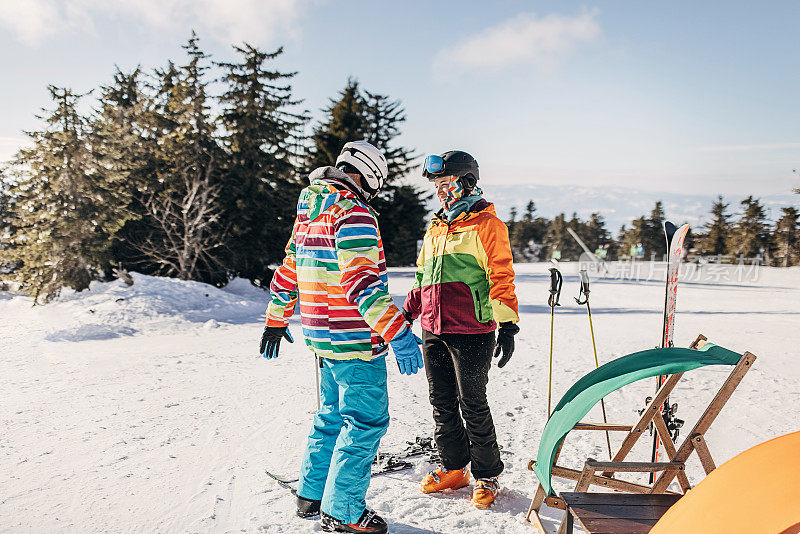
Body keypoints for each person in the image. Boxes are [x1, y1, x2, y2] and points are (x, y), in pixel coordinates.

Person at [261, 140, 424, 534]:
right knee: (366, 423)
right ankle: (344, 511)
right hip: (354, 340)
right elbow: (363, 286)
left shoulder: (310, 210)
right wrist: (398, 332)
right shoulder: (354, 214)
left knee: (330, 416)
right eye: (375, 184)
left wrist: (276, 319)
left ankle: (311, 494)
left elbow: (288, 270)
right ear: (367, 175)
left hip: (322, 338)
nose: (373, 193)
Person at [402, 150, 520, 509]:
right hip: (433, 328)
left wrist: (508, 324)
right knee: (441, 402)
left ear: (468, 181)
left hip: (471, 330)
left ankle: (487, 474)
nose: (440, 192)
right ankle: (454, 468)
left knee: (473, 402)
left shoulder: (487, 225)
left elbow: (501, 276)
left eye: (446, 183)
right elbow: (422, 279)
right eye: (436, 186)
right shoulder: (437, 226)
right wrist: (406, 314)